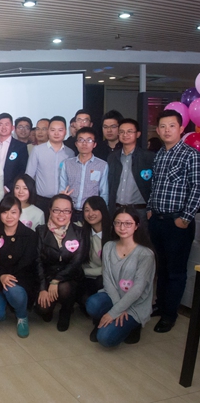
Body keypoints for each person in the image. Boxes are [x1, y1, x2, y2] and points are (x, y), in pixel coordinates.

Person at [147, 109, 200, 333]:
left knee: (176, 271)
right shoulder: (160, 154)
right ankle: (161, 305)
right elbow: (155, 185)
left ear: (181, 128)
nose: (167, 130)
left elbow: (197, 188)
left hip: (178, 223)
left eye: (172, 126)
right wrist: (150, 209)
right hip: (157, 220)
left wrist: (185, 218)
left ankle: (170, 315)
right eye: (163, 126)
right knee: (162, 267)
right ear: (158, 131)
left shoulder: (191, 155)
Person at [86, 207, 156, 346]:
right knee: (92, 304)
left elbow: (138, 289)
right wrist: (117, 308)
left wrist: (114, 312)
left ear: (136, 225)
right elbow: (107, 279)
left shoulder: (145, 254)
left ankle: (134, 326)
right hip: (114, 297)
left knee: (105, 339)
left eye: (128, 223)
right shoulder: (108, 246)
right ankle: (103, 321)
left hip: (135, 303)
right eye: (118, 223)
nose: (122, 227)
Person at [0, 196, 38, 338]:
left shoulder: (30, 236)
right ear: (0, 214)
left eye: (13, 212)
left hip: (19, 281)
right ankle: (5, 304)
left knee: (13, 291)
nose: (9, 217)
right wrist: (0, 277)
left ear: (20, 213)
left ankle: (22, 316)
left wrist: (2, 281)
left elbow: (25, 265)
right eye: (5, 212)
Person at [35, 194, 85, 332]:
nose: (61, 214)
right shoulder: (41, 231)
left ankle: (66, 310)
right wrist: (43, 288)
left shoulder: (79, 232)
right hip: (47, 275)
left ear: (71, 213)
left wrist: (56, 280)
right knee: (43, 309)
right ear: (50, 211)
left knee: (65, 288)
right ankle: (50, 306)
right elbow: (38, 261)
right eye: (57, 210)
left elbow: (76, 262)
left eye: (66, 211)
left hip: (70, 276)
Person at [107, 118, 155, 224]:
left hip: (140, 211)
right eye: (122, 132)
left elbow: (154, 185)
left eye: (129, 131)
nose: (125, 135)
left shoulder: (148, 157)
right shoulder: (113, 157)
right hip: (117, 209)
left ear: (138, 134)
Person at [26, 116, 74, 215]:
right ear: (48, 131)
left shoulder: (70, 153)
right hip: (41, 201)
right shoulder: (37, 150)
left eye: (60, 130)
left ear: (65, 132)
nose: (56, 133)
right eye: (53, 130)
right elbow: (29, 176)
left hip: (62, 201)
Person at [60, 127, 109, 222]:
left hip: (91, 212)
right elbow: (62, 188)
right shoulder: (67, 163)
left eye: (89, 140)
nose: (84, 144)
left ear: (94, 144)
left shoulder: (102, 165)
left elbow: (104, 192)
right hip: (70, 211)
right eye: (81, 140)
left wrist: (103, 212)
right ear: (76, 143)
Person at [80, 196, 112, 306]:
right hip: (85, 278)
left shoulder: (113, 234)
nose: (90, 214)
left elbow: (110, 268)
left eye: (95, 209)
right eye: (87, 210)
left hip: (104, 277)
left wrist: (83, 272)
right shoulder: (81, 230)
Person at [0, 113, 28, 196]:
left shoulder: (20, 146)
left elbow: (22, 170)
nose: (3, 127)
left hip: (10, 191)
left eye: (7, 124)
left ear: (12, 127)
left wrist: (8, 188)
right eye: (0, 124)